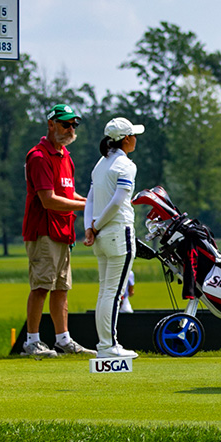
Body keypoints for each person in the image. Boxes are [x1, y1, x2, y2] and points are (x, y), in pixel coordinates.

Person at [21, 104, 91, 357]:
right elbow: (48, 200)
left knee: (61, 288)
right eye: (65, 124)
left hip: (63, 231)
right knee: (41, 286)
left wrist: (90, 203)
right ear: (51, 124)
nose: (71, 129)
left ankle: (63, 339)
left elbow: (69, 193)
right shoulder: (39, 156)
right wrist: (87, 207)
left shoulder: (66, 156)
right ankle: (31, 342)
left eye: (74, 124)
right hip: (43, 231)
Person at [83, 117, 145, 359]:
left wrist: (90, 226)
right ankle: (108, 346)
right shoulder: (125, 165)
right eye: (134, 135)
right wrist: (95, 226)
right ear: (126, 139)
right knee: (114, 292)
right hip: (118, 232)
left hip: (100, 235)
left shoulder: (101, 164)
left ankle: (105, 345)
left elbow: (90, 199)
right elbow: (118, 202)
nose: (136, 139)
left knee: (105, 291)